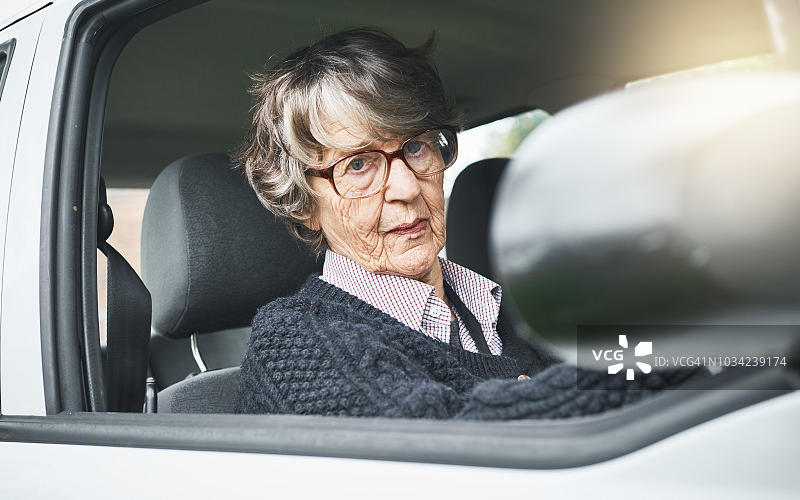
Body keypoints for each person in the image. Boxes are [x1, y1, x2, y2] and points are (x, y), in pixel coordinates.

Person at [234, 27, 696, 419]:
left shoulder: (506, 302)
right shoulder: (295, 340)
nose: (407, 188)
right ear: (304, 205)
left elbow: (627, 351)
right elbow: (451, 440)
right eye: (358, 165)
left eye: (416, 147)